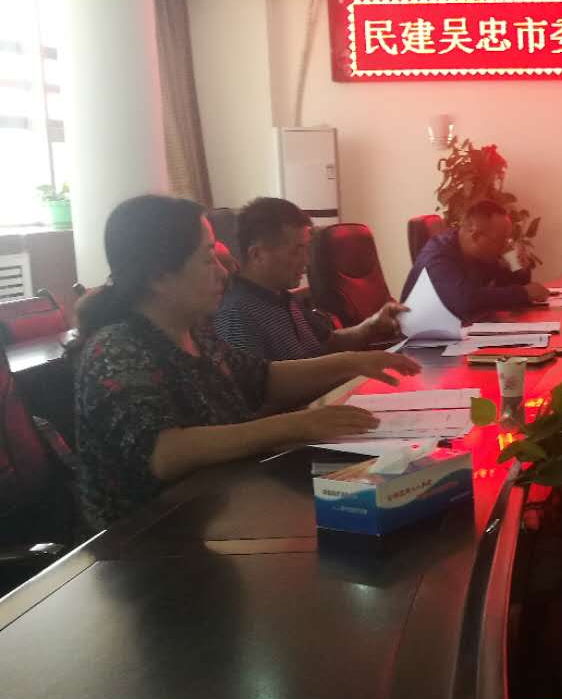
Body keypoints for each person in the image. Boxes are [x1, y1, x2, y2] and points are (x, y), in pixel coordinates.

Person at [73, 195, 422, 534]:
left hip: (217, 513)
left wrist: (352, 362)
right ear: (159, 276)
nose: (224, 271)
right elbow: (164, 453)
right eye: (208, 258)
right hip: (148, 543)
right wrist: (296, 425)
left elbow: (263, 378)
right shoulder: (116, 350)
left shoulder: (195, 334)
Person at [214, 197, 406, 360]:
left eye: (306, 249)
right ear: (257, 254)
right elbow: (259, 390)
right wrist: (350, 366)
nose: (306, 261)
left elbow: (330, 342)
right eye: (297, 250)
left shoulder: (282, 297)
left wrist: (373, 325)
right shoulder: (237, 317)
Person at [401, 199, 550, 320]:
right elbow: (464, 301)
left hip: (460, 333)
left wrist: (517, 266)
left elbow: (506, 285)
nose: (505, 247)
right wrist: (523, 293)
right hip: (422, 341)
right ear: (476, 236)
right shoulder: (437, 257)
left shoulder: (478, 254)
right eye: (502, 240)